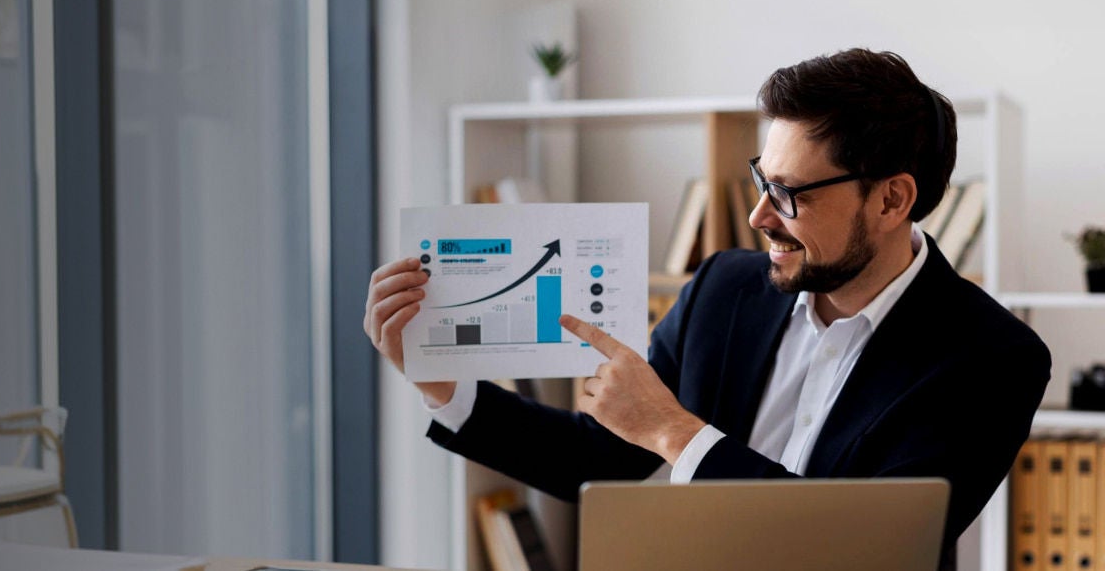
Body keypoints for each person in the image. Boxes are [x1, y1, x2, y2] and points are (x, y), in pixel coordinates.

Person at [364, 49, 1049, 569]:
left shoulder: (991, 360)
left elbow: (863, 550)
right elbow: (604, 457)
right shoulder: (726, 286)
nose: (756, 217)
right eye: (760, 180)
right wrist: (444, 386)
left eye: (789, 195)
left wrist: (674, 432)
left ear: (893, 200)